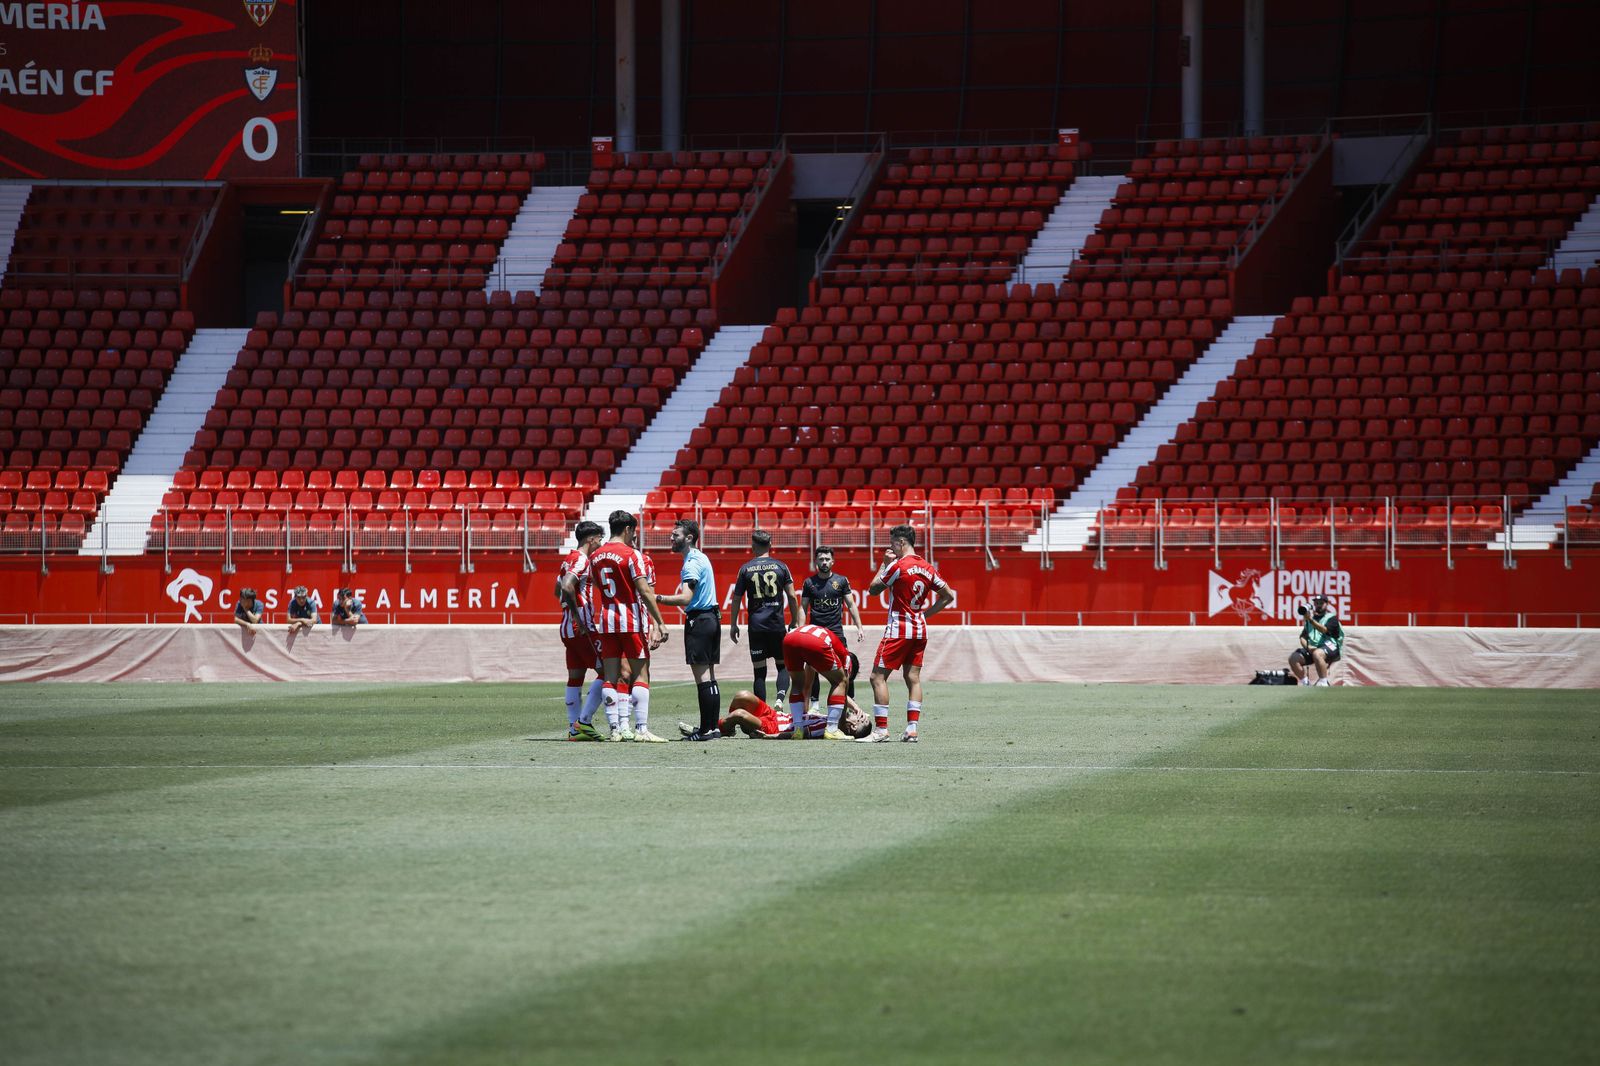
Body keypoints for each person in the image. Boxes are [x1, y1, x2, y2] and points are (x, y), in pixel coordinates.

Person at [862, 524, 955, 743]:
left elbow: (873, 589)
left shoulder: (898, 566)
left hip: (898, 629)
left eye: (892, 543)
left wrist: (884, 564)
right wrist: (925, 614)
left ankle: (881, 730)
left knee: (877, 677)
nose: (890, 547)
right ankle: (912, 729)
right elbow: (948, 595)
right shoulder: (927, 567)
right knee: (913, 678)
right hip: (919, 629)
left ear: (901, 543)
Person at [587, 509, 669, 742]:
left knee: (610, 677)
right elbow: (644, 590)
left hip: (606, 620)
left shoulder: (595, 557)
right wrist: (660, 622)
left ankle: (615, 728)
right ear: (627, 529)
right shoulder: (632, 555)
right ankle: (641, 729)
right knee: (641, 674)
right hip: (630, 621)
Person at [656, 518, 722, 741]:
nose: (671, 538)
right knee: (710, 677)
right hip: (712, 618)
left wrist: (657, 598)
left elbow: (686, 597)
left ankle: (705, 731)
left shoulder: (691, 562)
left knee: (702, 677)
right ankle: (712, 728)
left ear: (689, 538)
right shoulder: (701, 557)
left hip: (700, 620)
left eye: (676, 535)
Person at [728, 529, 803, 706]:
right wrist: (794, 621)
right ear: (770, 545)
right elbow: (792, 596)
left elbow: (736, 598)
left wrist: (733, 624)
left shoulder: (745, 568)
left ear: (753, 546)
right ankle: (779, 699)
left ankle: (763, 710)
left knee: (759, 671)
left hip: (756, 627)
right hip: (777, 625)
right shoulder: (781, 567)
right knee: (782, 665)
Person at [556, 520, 607, 741]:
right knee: (609, 671)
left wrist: (568, 609)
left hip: (566, 628)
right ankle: (583, 722)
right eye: (599, 539)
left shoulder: (568, 559)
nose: (600, 543)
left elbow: (557, 588)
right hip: (581, 627)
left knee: (575, 676)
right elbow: (566, 586)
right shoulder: (581, 559)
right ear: (590, 538)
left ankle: (574, 728)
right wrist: (578, 616)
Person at [800, 545, 865, 709]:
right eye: (821, 559)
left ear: (833, 561)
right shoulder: (809, 583)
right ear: (816, 561)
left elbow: (851, 605)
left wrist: (860, 627)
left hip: (836, 632)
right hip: (815, 633)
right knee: (811, 667)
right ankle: (814, 705)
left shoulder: (841, 581)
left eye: (827, 559)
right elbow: (803, 608)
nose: (824, 562)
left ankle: (850, 702)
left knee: (846, 667)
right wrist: (800, 629)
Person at [686, 689, 872, 740]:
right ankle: (729, 728)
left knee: (740, 713)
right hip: (775, 715)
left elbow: (795, 734)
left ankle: (714, 728)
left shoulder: (834, 728)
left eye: (859, 718)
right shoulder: (837, 720)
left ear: (853, 727)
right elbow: (840, 693)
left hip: (773, 727)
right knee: (741, 696)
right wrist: (857, 709)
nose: (859, 714)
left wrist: (771, 736)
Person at [781, 624, 863, 740]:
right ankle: (832, 729)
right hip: (816, 641)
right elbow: (843, 687)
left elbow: (807, 685)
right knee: (840, 681)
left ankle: (798, 728)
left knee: (797, 683)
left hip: (790, 638)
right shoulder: (847, 659)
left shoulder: (815, 658)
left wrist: (804, 712)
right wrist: (842, 722)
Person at [1288, 595, 1344, 687]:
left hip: (1331, 646)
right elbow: (1303, 636)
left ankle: (1323, 682)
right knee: (1293, 658)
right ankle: (1305, 682)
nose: (1319, 605)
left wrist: (1310, 619)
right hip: (1314, 648)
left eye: (1321, 603)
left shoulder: (1331, 618)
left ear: (1326, 604)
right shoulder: (1310, 620)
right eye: (1317, 603)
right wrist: (1307, 647)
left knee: (1317, 653)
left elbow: (1324, 630)